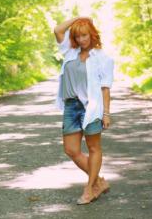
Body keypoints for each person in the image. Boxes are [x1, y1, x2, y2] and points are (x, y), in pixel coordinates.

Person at [54, 17, 114, 205]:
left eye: (84, 35)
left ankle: (89, 189)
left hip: (92, 107)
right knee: (71, 150)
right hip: (71, 106)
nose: (81, 40)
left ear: (92, 34)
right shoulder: (70, 52)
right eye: (77, 36)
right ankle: (99, 182)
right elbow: (57, 30)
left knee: (94, 148)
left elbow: (105, 88)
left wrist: (106, 113)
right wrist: (77, 20)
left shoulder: (103, 58)